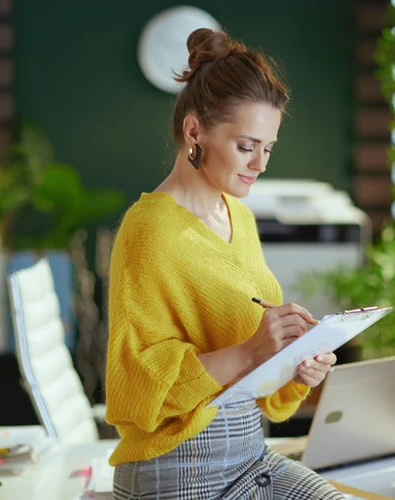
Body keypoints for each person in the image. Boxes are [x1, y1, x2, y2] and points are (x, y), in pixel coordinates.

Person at [105, 27, 344, 499]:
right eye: (246, 146)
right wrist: (250, 351)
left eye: (268, 148)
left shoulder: (240, 215)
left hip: (249, 454)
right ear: (195, 132)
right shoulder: (149, 230)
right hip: (176, 466)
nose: (260, 164)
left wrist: (296, 363)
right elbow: (132, 386)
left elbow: (259, 375)